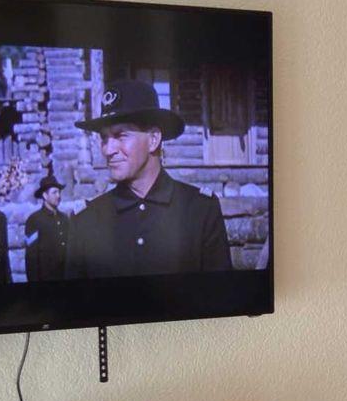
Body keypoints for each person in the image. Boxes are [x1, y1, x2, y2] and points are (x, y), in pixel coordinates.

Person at [67, 81, 230, 278]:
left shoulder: (201, 210)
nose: (108, 150)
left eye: (120, 135)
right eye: (104, 138)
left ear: (153, 139)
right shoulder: (85, 222)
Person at [23, 174, 71, 281]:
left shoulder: (64, 219)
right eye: (54, 192)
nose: (58, 196)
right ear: (45, 195)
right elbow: (31, 257)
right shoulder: (34, 220)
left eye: (59, 192)